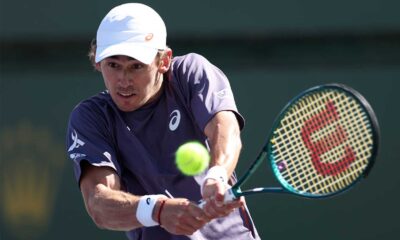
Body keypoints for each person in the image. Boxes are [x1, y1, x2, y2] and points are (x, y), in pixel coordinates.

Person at [66, 3, 260, 240]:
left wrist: (217, 175)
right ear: (97, 61)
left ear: (164, 60)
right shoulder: (91, 117)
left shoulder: (189, 72)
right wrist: (157, 211)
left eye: (136, 66)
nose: (123, 80)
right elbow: (99, 203)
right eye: (113, 65)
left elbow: (225, 127)